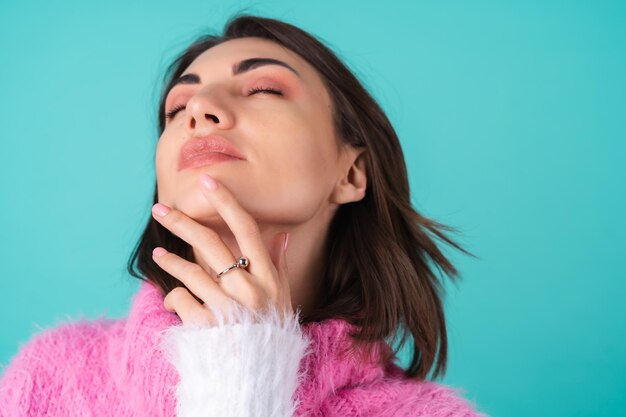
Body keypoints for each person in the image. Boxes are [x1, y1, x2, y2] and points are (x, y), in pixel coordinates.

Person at [0, 14, 488, 417]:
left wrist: (245, 373)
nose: (200, 110)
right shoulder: (50, 376)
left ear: (351, 173)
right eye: (176, 108)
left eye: (263, 90)